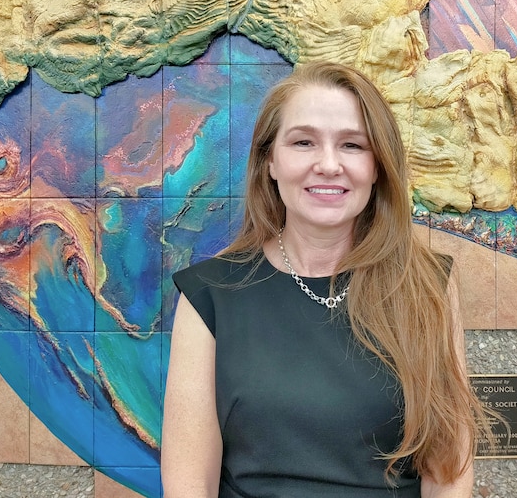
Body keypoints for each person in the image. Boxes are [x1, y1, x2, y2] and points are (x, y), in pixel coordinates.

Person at [162, 61, 487, 497]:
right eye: (303, 142)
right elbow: (188, 485)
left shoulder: (426, 284)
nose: (329, 165)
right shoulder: (210, 296)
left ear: (377, 166)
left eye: (352, 145)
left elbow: (447, 473)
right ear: (270, 161)